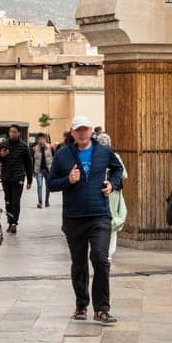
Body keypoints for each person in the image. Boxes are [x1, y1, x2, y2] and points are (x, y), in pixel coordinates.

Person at [47, 113, 125, 325]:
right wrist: (68, 180)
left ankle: (102, 309)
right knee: (79, 262)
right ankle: (81, 304)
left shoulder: (103, 151)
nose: (82, 133)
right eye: (78, 130)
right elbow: (51, 183)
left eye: (85, 129)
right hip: (74, 217)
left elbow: (118, 169)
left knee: (100, 258)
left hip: (99, 214)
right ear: (72, 133)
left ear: (91, 131)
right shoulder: (63, 155)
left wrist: (113, 184)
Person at [0, 124, 34, 233]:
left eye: (14, 132)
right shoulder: (3, 144)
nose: (12, 133)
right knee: (8, 201)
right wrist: (1, 156)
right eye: (11, 131)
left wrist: (30, 180)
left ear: (19, 133)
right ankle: (9, 221)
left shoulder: (23, 146)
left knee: (16, 201)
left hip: (18, 178)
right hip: (6, 177)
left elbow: (28, 164)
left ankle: (14, 223)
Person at [33, 133, 55, 208]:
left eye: (42, 139)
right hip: (39, 170)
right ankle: (40, 202)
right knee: (39, 185)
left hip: (48, 170)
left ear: (45, 139)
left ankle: (47, 201)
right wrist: (34, 171)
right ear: (37, 140)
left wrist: (53, 170)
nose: (41, 140)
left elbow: (54, 158)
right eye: (39, 139)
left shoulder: (50, 147)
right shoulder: (35, 148)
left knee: (48, 186)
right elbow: (33, 160)